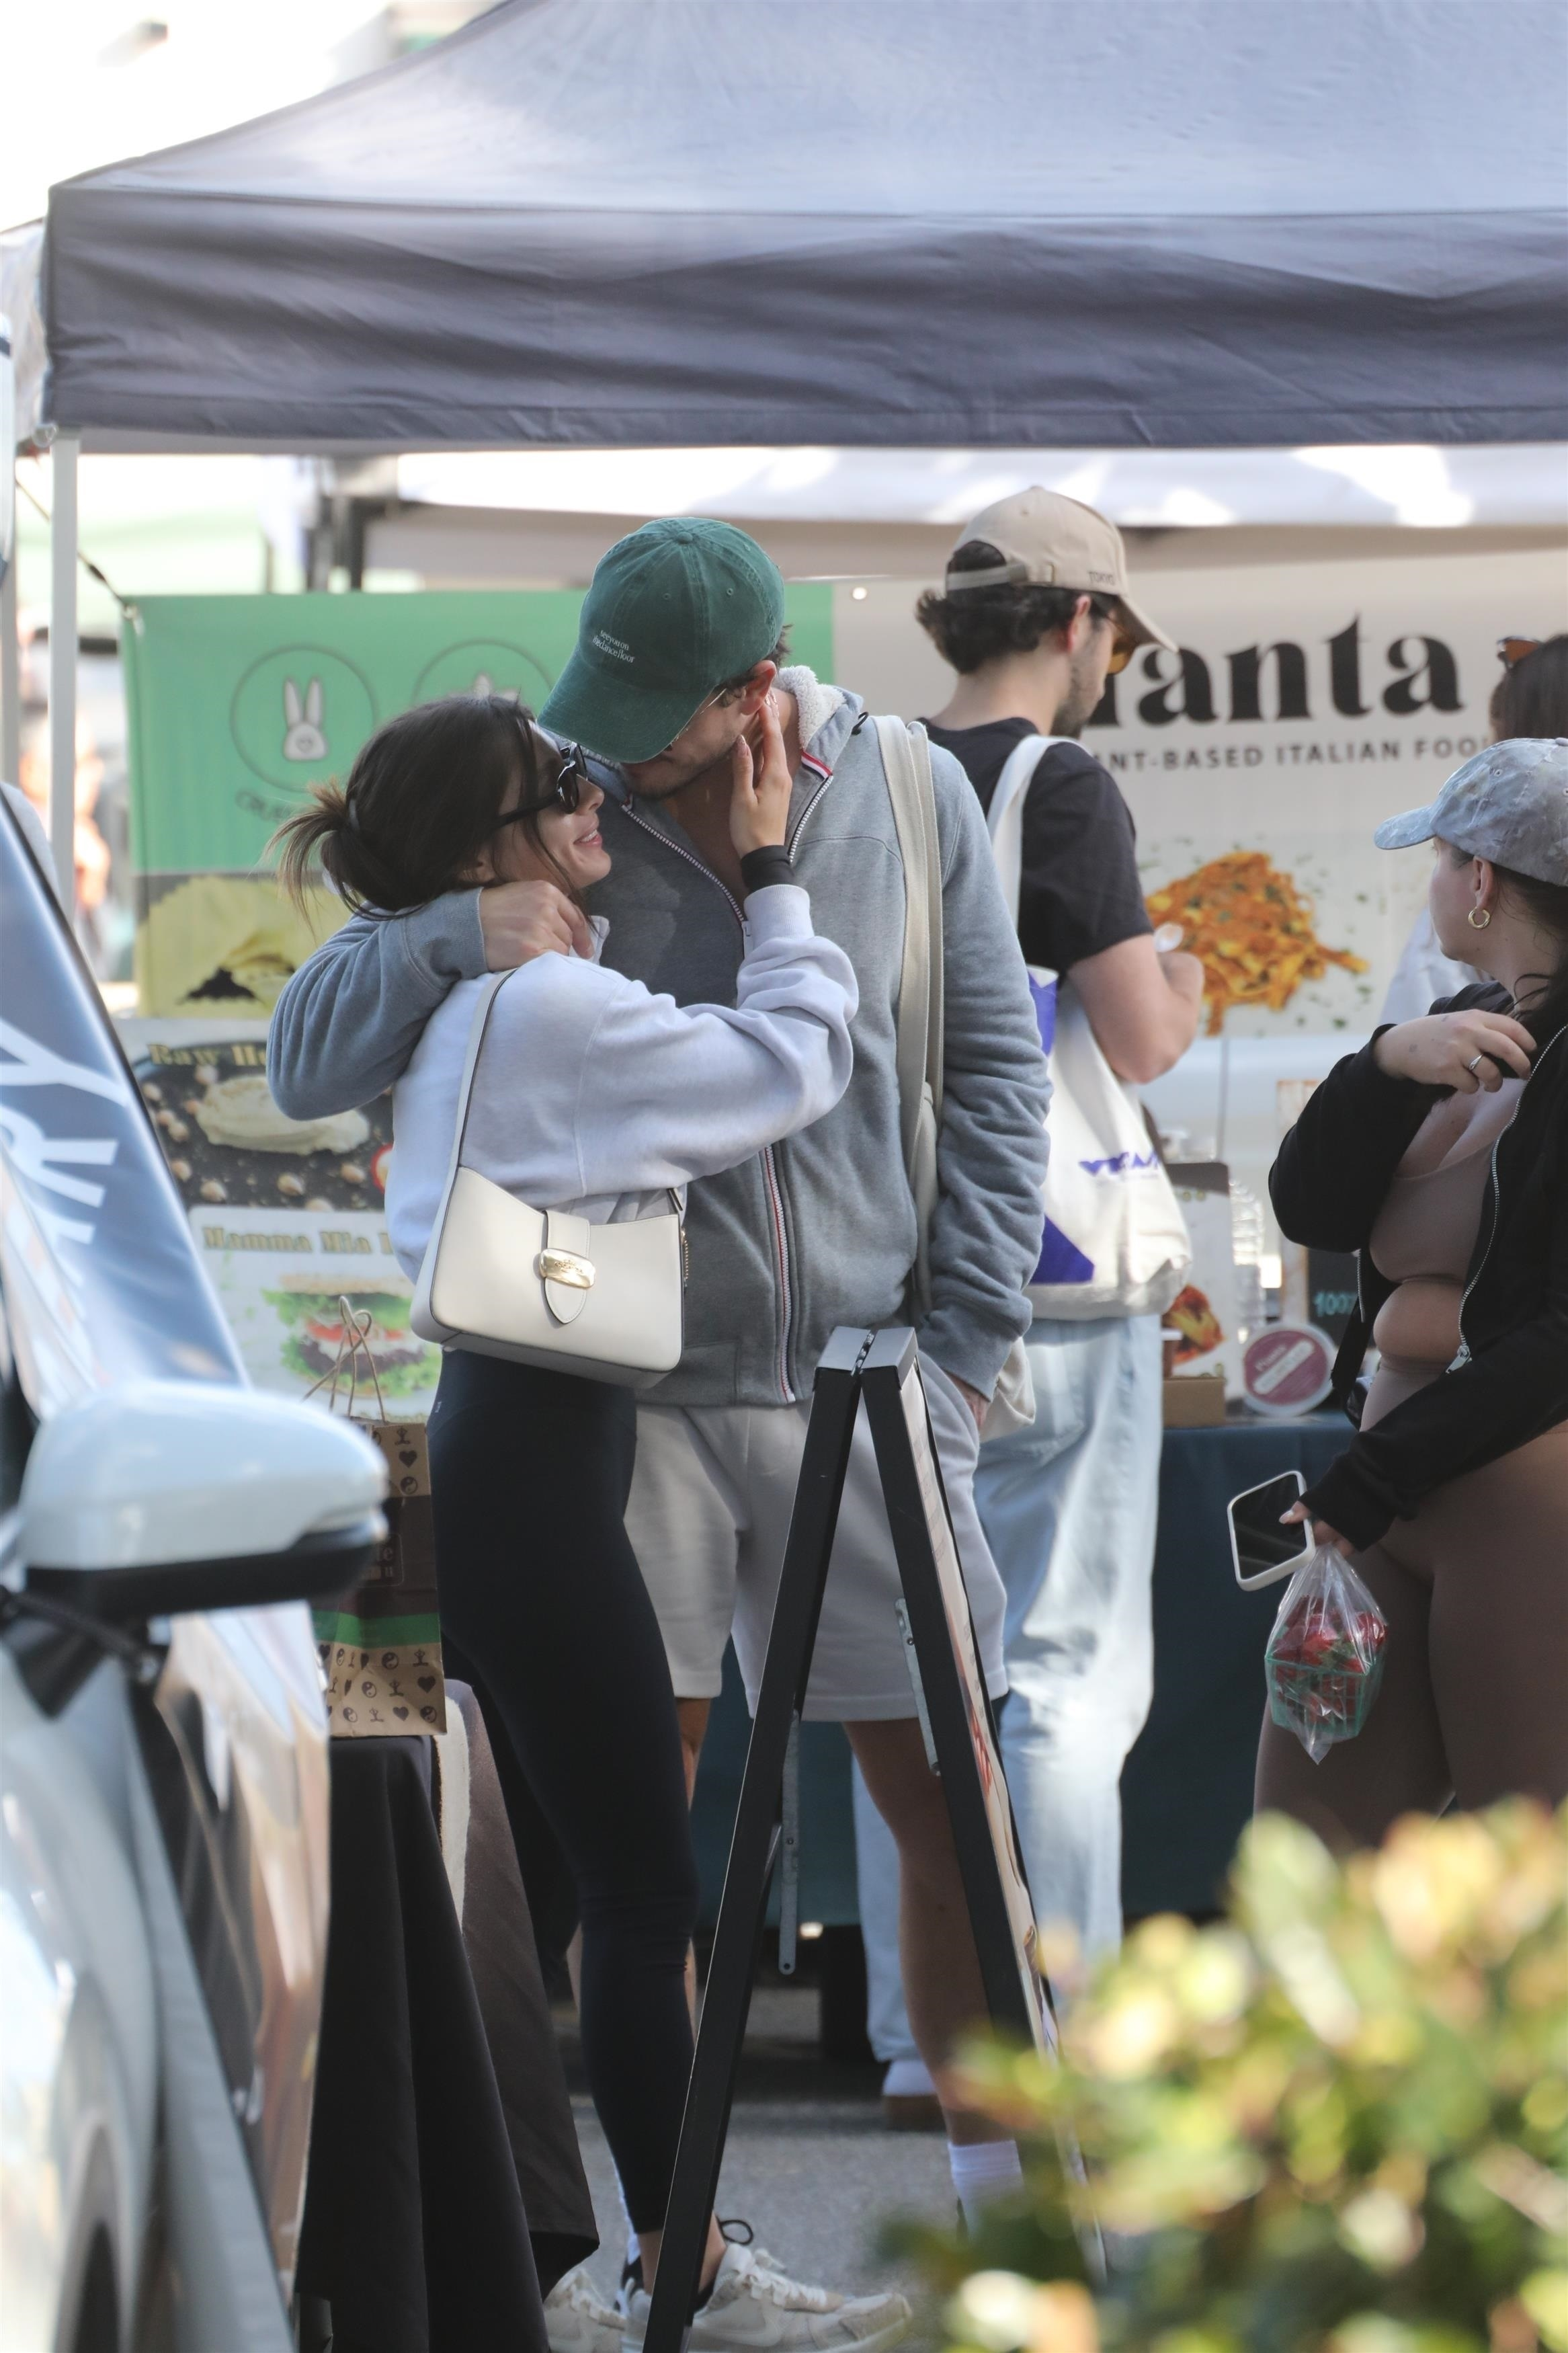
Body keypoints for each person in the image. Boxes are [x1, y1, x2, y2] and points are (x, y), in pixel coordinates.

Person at [267, 522, 1050, 2289]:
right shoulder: (533, 823)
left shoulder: (909, 786)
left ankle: (1017, 2241)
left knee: (945, 1795)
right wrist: (449, 931)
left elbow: (991, 1061)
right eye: (583, 724)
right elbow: (308, 1052)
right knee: (620, 1832)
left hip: (862, 1372)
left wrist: (966, 1336)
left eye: (645, 719)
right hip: (622, 1385)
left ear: (754, 687)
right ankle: (599, 2245)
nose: (606, 759)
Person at [848, 490, 1203, 2106]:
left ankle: (923, 2038)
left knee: (900, 1662)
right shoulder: (1056, 785)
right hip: (1048, 1282)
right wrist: (1180, 980)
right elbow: (1136, 1041)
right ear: (1079, 625)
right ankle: (1062, 2023)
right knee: (1058, 1667)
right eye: (1115, 636)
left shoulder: (859, 766)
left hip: (882, 1271)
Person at [1260, 736, 1568, 1842]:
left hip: (1517, 1489)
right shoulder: (1465, 1025)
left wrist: (1371, 1476)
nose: (1431, 884)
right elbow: (1311, 1210)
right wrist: (1382, 1064)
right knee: (1307, 1846)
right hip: (1395, 1478)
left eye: (1438, 859)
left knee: (1519, 1877)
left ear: (1478, 881)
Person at [1380, 633, 1568, 1022]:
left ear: (1482, 878)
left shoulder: (1472, 898)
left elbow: (1420, 1042)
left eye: (1498, 743)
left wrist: (1387, 1059)